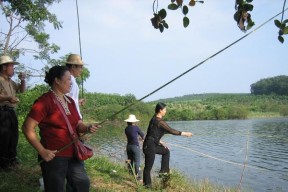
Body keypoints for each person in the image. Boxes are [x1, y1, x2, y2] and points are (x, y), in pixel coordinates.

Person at [22, 65, 100, 192]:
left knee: (82, 185)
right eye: (68, 79)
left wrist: (87, 127)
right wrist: (42, 151)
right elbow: (27, 128)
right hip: (54, 156)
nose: (71, 83)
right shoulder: (44, 101)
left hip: (74, 153)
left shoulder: (70, 101)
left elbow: (78, 125)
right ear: (57, 80)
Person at [142, 102, 193, 188]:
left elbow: (152, 133)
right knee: (148, 168)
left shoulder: (154, 119)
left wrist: (160, 141)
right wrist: (185, 133)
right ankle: (147, 187)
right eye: (165, 109)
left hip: (152, 144)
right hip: (149, 146)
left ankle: (163, 172)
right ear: (160, 110)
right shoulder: (159, 121)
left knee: (166, 151)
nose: (166, 111)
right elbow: (171, 130)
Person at [0, 55, 26, 171]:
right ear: (4, 67)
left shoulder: (10, 81)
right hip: (2, 112)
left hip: (11, 111)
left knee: (13, 136)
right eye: (11, 66)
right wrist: (8, 98)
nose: (13, 69)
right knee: (4, 137)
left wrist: (23, 80)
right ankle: (4, 162)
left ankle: (12, 159)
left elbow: (21, 90)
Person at [124, 114, 145, 181]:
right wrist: (142, 139)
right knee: (137, 162)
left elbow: (131, 136)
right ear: (134, 121)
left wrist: (137, 138)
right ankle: (139, 178)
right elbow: (142, 135)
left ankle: (130, 175)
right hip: (135, 147)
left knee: (130, 161)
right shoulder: (136, 127)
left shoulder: (126, 128)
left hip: (128, 147)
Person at [65, 54, 85, 119]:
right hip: (72, 120)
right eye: (81, 67)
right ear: (73, 67)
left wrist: (77, 102)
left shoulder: (71, 80)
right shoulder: (70, 80)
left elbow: (69, 100)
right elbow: (64, 101)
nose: (82, 70)